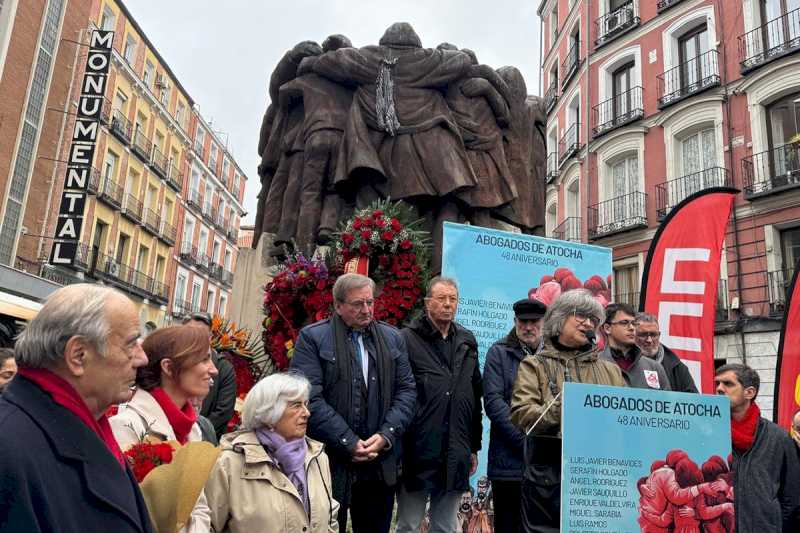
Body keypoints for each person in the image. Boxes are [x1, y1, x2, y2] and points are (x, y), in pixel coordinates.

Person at [0, 284, 153, 532]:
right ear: (78, 355)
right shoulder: (9, 446)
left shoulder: (90, 426)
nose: (142, 358)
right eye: (131, 343)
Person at [290, 273, 416, 533]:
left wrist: (385, 435)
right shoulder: (313, 338)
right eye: (358, 304)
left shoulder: (393, 338)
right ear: (338, 306)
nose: (366, 310)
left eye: (370, 302)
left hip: (380, 460)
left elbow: (407, 392)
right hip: (330, 459)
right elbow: (308, 397)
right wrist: (348, 441)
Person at [510, 289, 626, 532]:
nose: (588, 323)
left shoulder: (611, 371)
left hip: (600, 477)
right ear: (559, 319)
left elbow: (624, 421)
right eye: (581, 316)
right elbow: (522, 414)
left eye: (594, 319)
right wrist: (568, 408)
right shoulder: (534, 365)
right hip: (548, 479)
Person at [111, 325, 219, 532]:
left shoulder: (193, 429)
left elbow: (200, 508)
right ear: (168, 368)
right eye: (204, 359)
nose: (213, 369)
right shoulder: (127, 425)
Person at [396, 277, 483, 533]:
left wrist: (474, 447)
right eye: (441, 299)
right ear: (427, 303)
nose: (448, 305)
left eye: (453, 299)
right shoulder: (406, 339)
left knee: (446, 526)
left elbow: (473, 396)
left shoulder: (466, 341)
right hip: (417, 449)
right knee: (409, 524)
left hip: (456, 448)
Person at [204, 372, 339, 532]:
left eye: (306, 404)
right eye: (296, 405)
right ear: (268, 414)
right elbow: (207, 526)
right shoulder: (228, 464)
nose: (306, 413)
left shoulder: (317, 457)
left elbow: (330, 520)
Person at [483, 298, 546, 533]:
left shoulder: (554, 355)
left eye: (534, 321)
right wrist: (525, 441)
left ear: (544, 322)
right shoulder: (498, 353)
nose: (528, 327)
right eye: (523, 321)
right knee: (508, 526)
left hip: (545, 464)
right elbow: (493, 402)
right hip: (508, 462)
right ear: (515, 321)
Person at [714, 363, 800, 532]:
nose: (719, 388)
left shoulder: (779, 438)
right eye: (717, 383)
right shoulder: (709, 434)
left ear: (750, 392)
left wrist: (772, 525)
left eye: (728, 384)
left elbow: (792, 496)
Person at [186, 312, 238, 438]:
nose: (195, 338)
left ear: (210, 337)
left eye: (201, 334)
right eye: (190, 333)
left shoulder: (224, 368)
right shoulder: (176, 361)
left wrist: (198, 433)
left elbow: (224, 411)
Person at [600, 303, 670, 390]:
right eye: (624, 323)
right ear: (607, 328)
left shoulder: (654, 367)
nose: (632, 328)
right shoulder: (595, 365)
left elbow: (666, 402)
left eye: (634, 323)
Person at [635, 313, 698, 393]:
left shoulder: (677, 367)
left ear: (659, 335)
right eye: (643, 335)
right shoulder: (622, 363)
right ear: (633, 335)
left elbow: (692, 400)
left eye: (653, 335)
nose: (649, 340)